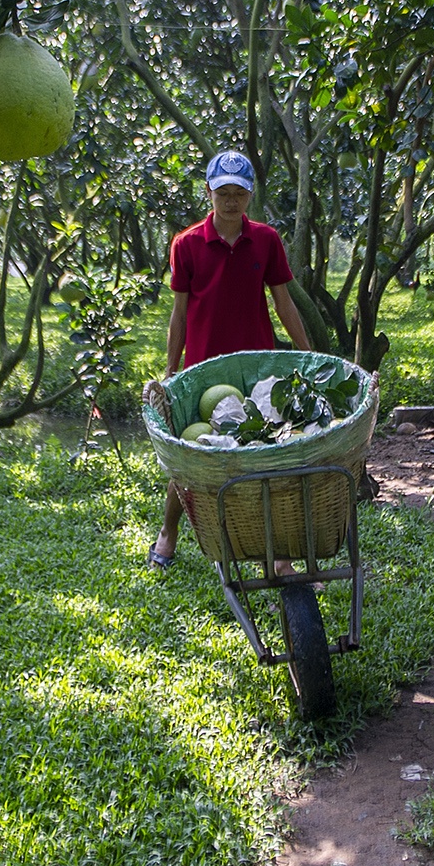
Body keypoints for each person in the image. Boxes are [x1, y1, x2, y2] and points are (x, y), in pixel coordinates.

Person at [148, 149, 310, 569]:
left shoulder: (267, 240)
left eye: (239, 193)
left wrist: (307, 353)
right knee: (191, 456)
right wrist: (171, 368)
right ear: (209, 192)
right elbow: (179, 313)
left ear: (250, 196)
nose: (231, 201)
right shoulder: (186, 245)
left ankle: (280, 558)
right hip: (204, 365)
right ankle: (168, 532)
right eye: (224, 193)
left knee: (268, 455)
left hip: (258, 365)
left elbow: (283, 301)